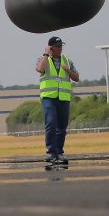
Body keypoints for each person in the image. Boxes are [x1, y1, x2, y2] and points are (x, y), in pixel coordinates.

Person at [36, 36, 80, 165]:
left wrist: (68, 70)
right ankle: (51, 153)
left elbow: (76, 77)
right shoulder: (43, 59)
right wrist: (45, 54)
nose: (60, 49)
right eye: (57, 46)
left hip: (63, 98)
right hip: (49, 97)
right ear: (51, 48)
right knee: (50, 123)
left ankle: (59, 152)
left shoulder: (67, 61)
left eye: (61, 46)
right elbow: (39, 69)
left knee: (62, 126)